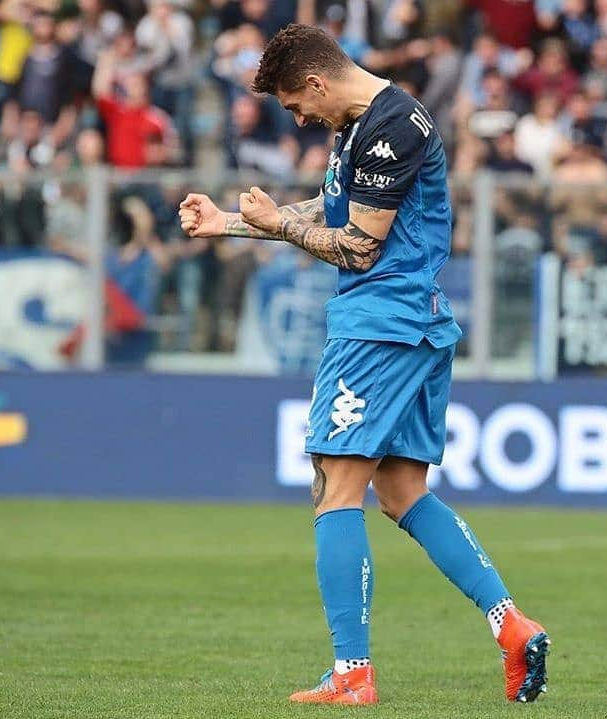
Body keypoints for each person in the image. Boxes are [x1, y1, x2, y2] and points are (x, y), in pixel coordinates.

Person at [177, 24, 550, 704]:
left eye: (295, 105)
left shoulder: (392, 127)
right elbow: (336, 206)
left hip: (381, 325)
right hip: (412, 323)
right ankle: (512, 626)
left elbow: (356, 247)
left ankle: (352, 673)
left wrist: (278, 226)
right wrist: (232, 221)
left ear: (317, 82)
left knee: (334, 486)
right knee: (401, 490)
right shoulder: (362, 128)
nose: (298, 118)